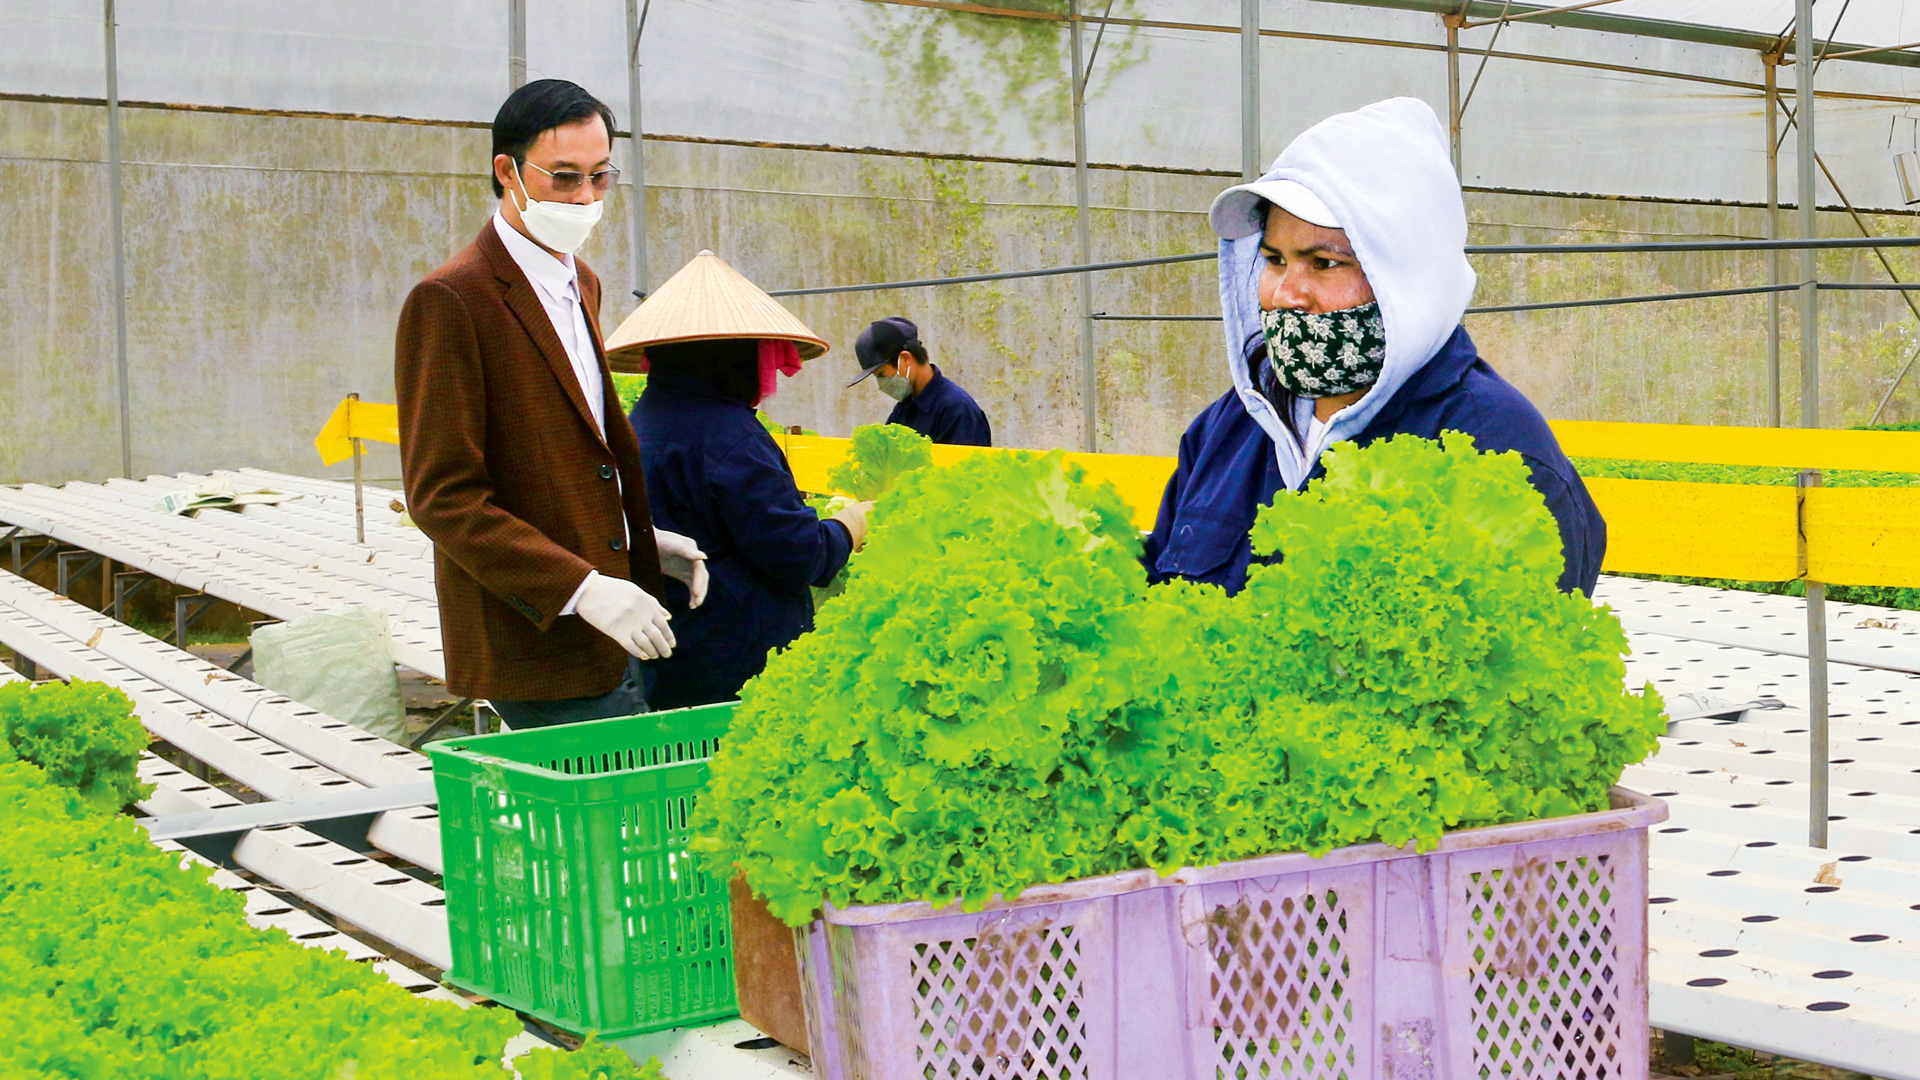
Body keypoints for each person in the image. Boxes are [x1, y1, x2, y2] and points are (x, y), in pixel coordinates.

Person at [1144, 97, 1605, 596]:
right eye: (1275, 259)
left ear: (1406, 276)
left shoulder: (1500, 455)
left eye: (1322, 263)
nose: (1284, 295)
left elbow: (1523, 664)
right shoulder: (1226, 429)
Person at [394, 79, 708, 729]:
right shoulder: (453, 300)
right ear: (505, 170)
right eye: (564, 178)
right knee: (622, 817)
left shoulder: (580, 282)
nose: (586, 199)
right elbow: (443, 497)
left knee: (607, 820)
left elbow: (566, 453)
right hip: (535, 637)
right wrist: (581, 587)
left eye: (600, 177)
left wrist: (636, 541)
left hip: (608, 625)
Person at [608, 251, 872, 709]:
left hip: (674, 650)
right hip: (739, 661)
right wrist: (851, 524)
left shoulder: (639, 422)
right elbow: (796, 554)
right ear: (730, 357)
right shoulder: (729, 436)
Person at [848, 316, 992, 446]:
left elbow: (964, 471)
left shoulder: (958, 410)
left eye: (882, 374)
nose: (881, 384)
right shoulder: (904, 409)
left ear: (905, 359)